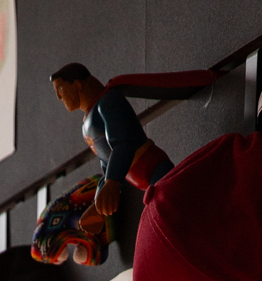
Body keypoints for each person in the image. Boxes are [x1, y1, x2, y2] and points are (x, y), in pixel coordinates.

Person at [49, 62, 175, 215]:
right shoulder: (86, 126)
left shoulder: (108, 102)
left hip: (155, 167)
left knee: (169, 206)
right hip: (143, 181)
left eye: (60, 88)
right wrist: (98, 205)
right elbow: (106, 163)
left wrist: (112, 181)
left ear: (77, 84)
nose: (58, 96)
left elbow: (123, 144)